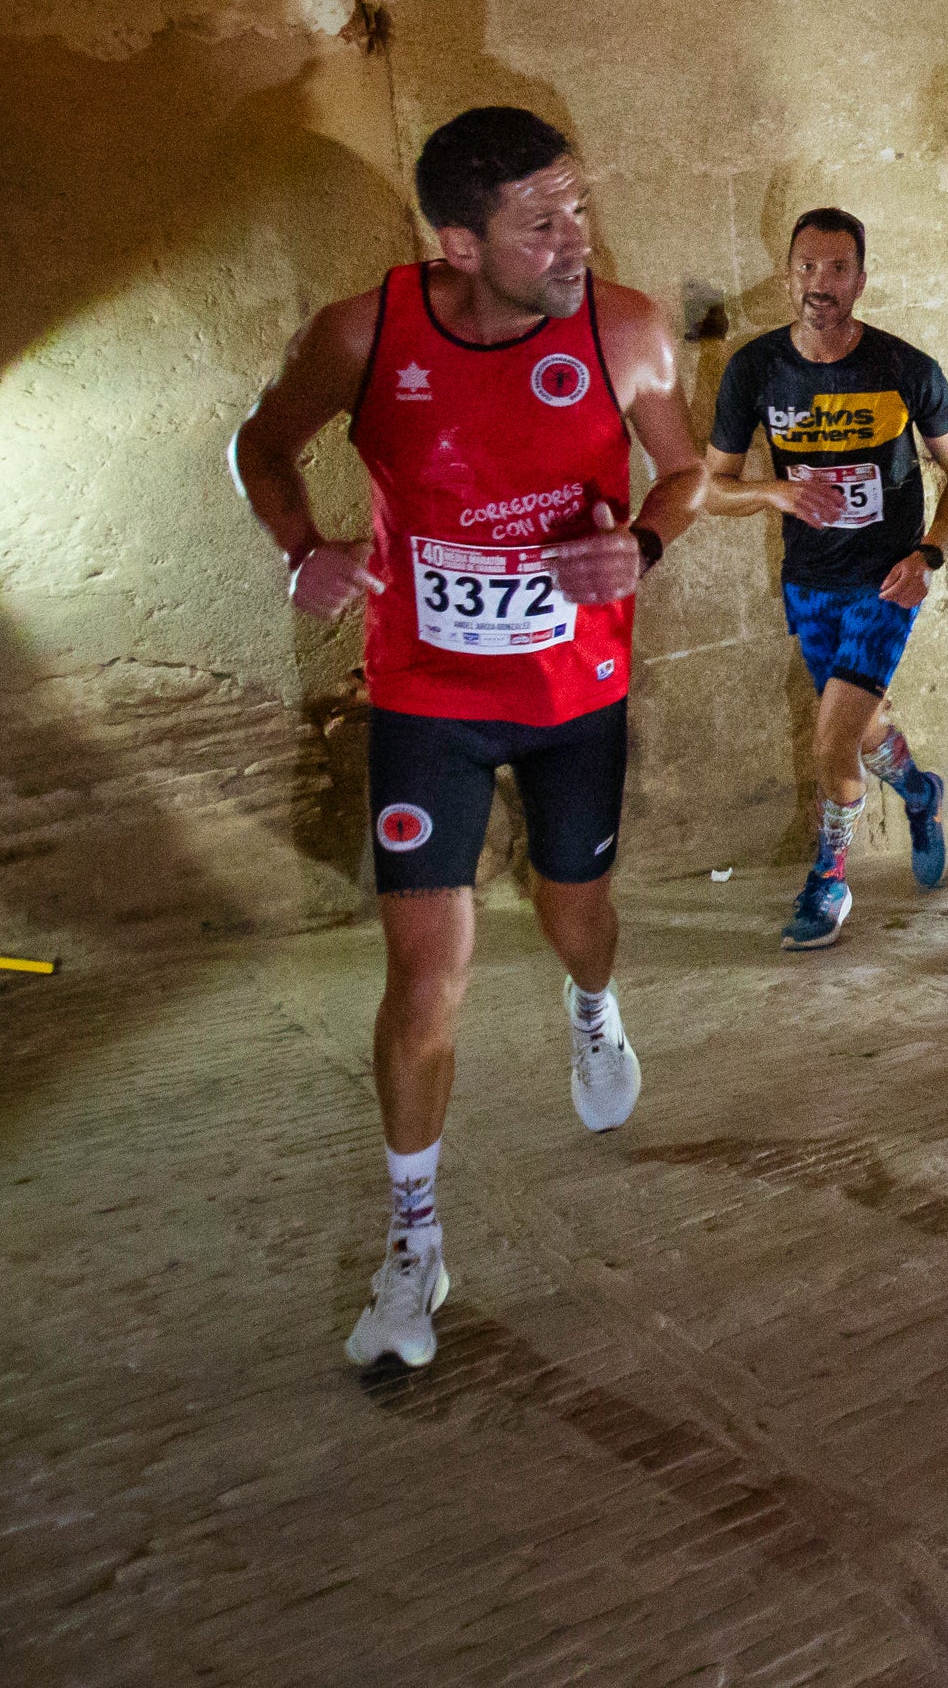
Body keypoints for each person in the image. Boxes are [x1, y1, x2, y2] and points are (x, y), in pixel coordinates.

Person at [230, 105, 708, 1374]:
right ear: (456, 240)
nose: (573, 240)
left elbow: (687, 471)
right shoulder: (362, 332)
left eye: (579, 208)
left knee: (575, 913)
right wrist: (300, 552)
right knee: (423, 981)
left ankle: (593, 1008)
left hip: (572, 698)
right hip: (426, 697)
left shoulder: (624, 327)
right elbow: (261, 444)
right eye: (538, 223)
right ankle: (413, 1242)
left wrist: (644, 542)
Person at [702, 207, 948, 950]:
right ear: (787, 270)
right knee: (857, 725)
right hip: (809, 582)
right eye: (805, 266)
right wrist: (776, 491)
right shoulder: (755, 369)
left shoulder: (905, 368)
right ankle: (922, 793)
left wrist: (930, 552)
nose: (818, 283)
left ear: (860, 277)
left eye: (836, 269)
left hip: (885, 582)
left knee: (832, 743)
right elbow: (710, 486)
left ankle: (829, 878)